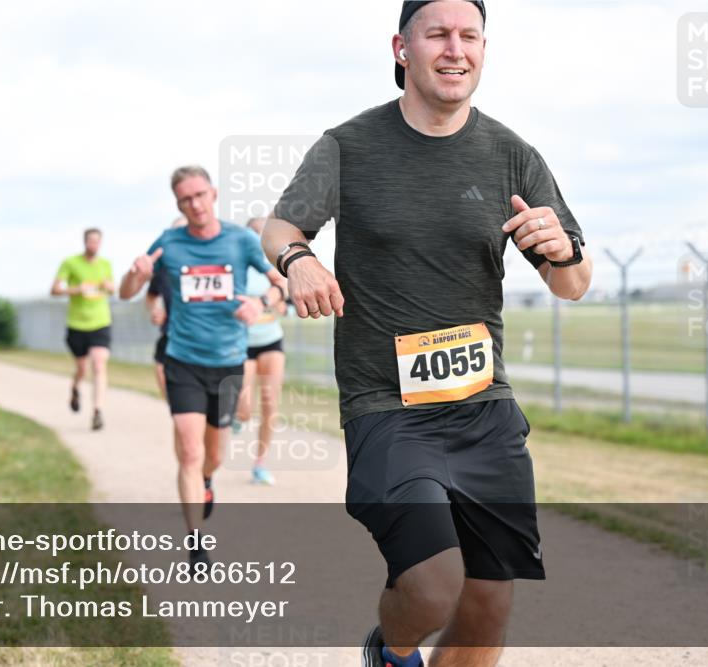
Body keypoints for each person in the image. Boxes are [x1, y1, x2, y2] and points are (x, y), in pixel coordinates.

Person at [261, 2, 593, 666]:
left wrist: (562, 250)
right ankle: (391, 649)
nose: (455, 48)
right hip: (388, 409)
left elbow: (573, 282)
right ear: (402, 48)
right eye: (437, 33)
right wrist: (298, 262)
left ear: (483, 50)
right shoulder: (348, 145)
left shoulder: (511, 155)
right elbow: (278, 227)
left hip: (485, 407)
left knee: (489, 604)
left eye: (469, 35)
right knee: (433, 583)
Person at [119, 166, 287, 568]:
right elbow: (127, 292)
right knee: (189, 450)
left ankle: (207, 482)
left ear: (213, 194)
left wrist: (261, 303)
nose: (193, 205)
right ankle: (196, 543)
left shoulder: (240, 239)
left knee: (213, 455)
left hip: (228, 363)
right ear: (178, 204)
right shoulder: (169, 243)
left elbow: (280, 283)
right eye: (184, 200)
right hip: (183, 361)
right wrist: (134, 275)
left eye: (199, 195)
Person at [233, 217, 287, 486]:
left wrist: (281, 304)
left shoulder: (274, 266)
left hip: (271, 340)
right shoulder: (239, 265)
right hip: (243, 342)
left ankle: (260, 463)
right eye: (255, 233)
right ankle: (236, 417)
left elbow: (284, 291)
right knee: (243, 408)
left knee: (270, 404)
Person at [51, 228, 114, 431]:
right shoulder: (70, 263)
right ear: (85, 242)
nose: (93, 245)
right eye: (90, 241)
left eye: (97, 241)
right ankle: (75, 387)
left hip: (101, 322)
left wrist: (109, 286)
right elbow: (54, 290)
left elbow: (114, 289)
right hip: (77, 324)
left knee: (99, 364)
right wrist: (76, 289)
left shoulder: (105, 265)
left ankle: (97, 411)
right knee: (82, 369)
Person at [146, 216, 188, 397]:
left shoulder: (209, 265)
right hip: (169, 333)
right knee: (162, 376)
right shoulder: (163, 269)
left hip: (199, 338)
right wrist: (155, 309)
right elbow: (151, 295)